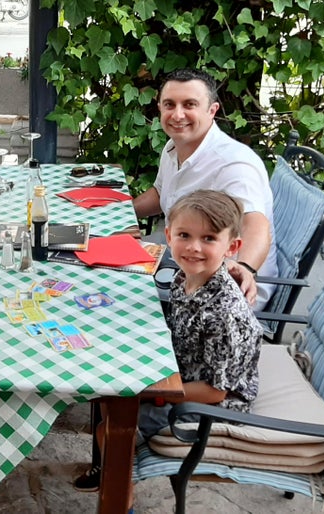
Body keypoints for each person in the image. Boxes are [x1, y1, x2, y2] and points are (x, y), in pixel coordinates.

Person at [73, 190, 264, 509]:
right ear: (169, 236)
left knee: (112, 428)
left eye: (209, 238)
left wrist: (153, 393)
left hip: (213, 405)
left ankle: (121, 496)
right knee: (109, 400)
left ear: (231, 247)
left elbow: (217, 392)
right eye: (184, 235)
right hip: (183, 368)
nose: (193, 247)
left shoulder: (224, 314)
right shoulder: (185, 276)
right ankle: (113, 472)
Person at [133, 68, 278, 310]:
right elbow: (160, 194)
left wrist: (245, 268)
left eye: (189, 104)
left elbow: (256, 225)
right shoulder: (174, 146)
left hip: (226, 290)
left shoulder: (234, 164)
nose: (177, 115)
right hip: (185, 259)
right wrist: (117, 210)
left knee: (114, 293)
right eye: (169, 104)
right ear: (159, 108)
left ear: (212, 111)